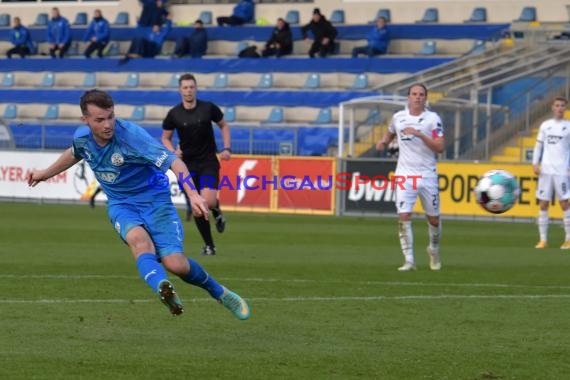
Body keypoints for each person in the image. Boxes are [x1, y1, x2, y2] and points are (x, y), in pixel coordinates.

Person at [26, 89, 249, 319]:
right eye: (99, 120)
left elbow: (175, 162)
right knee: (138, 241)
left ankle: (219, 292)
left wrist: (193, 195)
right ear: (85, 120)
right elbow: (74, 152)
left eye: (110, 116)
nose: (107, 124)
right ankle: (163, 287)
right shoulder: (82, 137)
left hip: (155, 201)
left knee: (176, 264)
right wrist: (45, 173)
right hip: (122, 204)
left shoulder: (132, 137)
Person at [375, 83, 444, 271]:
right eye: (414, 94)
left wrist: (420, 134)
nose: (417, 97)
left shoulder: (433, 119)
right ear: (408, 97)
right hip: (405, 175)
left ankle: (434, 249)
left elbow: (440, 147)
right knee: (404, 215)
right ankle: (409, 260)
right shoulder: (399, 117)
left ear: (426, 98)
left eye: (421, 94)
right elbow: (389, 133)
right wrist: (382, 142)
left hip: (427, 174)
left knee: (434, 219)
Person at [161, 74, 230, 256]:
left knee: (206, 201)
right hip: (186, 166)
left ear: (196, 88)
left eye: (191, 87)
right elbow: (165, 138)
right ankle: (209, 245)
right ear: (180, 90)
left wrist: (227, 148)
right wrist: (173, 152)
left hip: (208, 161)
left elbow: (224, 125)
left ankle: (216, 209)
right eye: (185, 87)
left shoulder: (208, 108)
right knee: (197, 207)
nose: (188, 90)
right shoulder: (174, 114)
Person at [532, 97, 570, 249]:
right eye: (557, 105)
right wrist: (535, 163)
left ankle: (568, 239)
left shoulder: (569, 126)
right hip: (545, 170)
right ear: (552, 108)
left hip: (561, 171)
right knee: (543, 204)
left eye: (562, 106)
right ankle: (543, 240)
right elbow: (538, 146)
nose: (560, 108)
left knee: (564, 204)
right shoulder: (545, 126)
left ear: (565, 109)